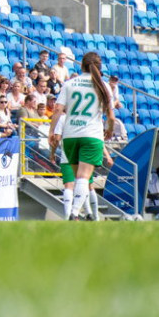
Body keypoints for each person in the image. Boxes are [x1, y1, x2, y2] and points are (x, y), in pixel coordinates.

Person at [49, 51, 114, 221]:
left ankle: (77, 214)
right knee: (84, 178)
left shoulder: (69, 83)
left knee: (78, 178)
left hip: (70, 136)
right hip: (91, 135)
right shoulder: (103, 85)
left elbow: (57, 110)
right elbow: (111, 116)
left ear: (81, 65)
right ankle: (75, 213)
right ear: (99, 67)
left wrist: (51, 131)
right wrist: (110, 129)